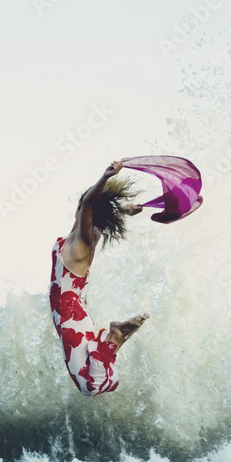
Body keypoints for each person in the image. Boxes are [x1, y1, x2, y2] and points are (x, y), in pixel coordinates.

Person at [49, 160, 149, 396]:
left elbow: (88, 203)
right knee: (94, 377)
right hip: (74, 312)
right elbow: (90, 209)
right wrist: (123, 211)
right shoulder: (79, 236)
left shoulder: (83, 240)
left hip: (69, 316)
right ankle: (116, 337)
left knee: (90, 386)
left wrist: (105, 178)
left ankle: (115, 336)